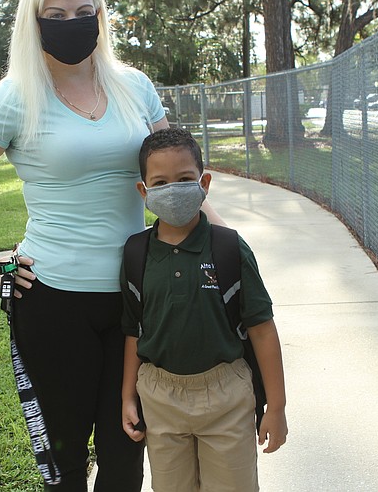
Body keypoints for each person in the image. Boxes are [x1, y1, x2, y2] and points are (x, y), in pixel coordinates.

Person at [0, 0, 222, 491]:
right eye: (56, 13)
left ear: (102, 16)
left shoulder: (135, 87)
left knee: (126, 450)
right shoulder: (16, 96)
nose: (72, 22)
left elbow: (179, 179)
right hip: (53, 298)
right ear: (34, 21)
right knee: (63, 460)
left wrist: (225, 245)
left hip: (139, 294)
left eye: (85, 11)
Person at [120, 127, 288, 492]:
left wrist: (276, 407)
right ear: (143, 192)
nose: (173, 189)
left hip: (226, 394)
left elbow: (261, 329)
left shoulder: (229, 248)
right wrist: (127, 396)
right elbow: (135, 330)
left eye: (184, 179)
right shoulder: (136, 253)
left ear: (204, 182)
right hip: (160, 397)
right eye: (160, 182)